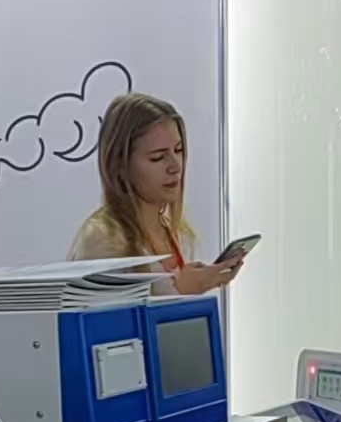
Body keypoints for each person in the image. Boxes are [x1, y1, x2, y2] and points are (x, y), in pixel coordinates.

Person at [69, 93, 237, 296]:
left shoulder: (178, 233)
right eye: (157, 158)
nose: (175, 166)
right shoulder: (102, 239)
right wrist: (183, 289)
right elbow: (106, 315)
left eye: (179, 150)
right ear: (120, 165)